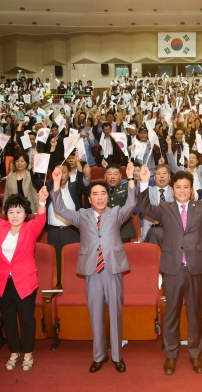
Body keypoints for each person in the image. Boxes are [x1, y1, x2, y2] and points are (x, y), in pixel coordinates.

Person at [50, 163, 137, 374]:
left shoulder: (116, 213)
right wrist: (55, 182)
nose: (99, 197)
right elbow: (60, 209)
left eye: (103, 194)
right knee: (95, 313)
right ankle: (99, 356)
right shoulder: (82, 215)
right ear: (89, 199)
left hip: (113, 269)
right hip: (92, 270)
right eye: (95, 194)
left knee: (115, 313)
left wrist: (131, 178)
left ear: (108, 197)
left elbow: (132, 203)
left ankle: (117, 356)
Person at [138, 163, 202, 376]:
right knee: (171, 314)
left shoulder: (200, 207)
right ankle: (171, 355)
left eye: (186, 187)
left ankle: (195, 354)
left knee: (195, 314)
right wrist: (145, 183)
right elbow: (145, 207)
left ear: (191, 189)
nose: (182, 190)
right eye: (178, 187)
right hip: (172, 268)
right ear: (172, 189)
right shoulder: (165, 208)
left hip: (195, 268)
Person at [0, 186, 49, 371]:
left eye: (19, 211)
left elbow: (42, 218)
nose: (14, 215)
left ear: (25, 213)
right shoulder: (0, 226)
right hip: (3, 282)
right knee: (8, 319)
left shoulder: (31, 229)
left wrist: (43, 201)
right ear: (6, 213)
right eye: (11, 211)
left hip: (25, 282)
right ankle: (14, 352)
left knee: (26, 319)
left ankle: (28, 353)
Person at [34, 156, 91, 287]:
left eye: (64, 171)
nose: (61, 174)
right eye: (58, 171)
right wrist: (34, 164)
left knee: (74, 259)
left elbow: (85, 185)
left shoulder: (74, 186)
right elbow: (35, 179)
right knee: (56, 261)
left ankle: (76, 285)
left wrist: (83, 172)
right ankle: (59, 285)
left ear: (69, 173)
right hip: (54, 232)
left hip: (71, 231)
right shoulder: (48, 187)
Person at [141, 163, 174, 245]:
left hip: (171, 231)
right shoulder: (147, 190)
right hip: (152, 230)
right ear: (154, 178)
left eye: (164, 173)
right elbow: (143, 204)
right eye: (158, 174)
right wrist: (143, 180)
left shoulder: (175, 191)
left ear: (169, 176)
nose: (162, 176)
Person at [104, 163, 137, 243]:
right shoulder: (101, 188)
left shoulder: (125, 187)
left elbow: (133, 187)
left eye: (115, 174)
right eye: (109, 174)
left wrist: (130, 176)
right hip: (105, 228)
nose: (112, 177)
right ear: (105, 176)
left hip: (123, 229)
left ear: (120, 176)